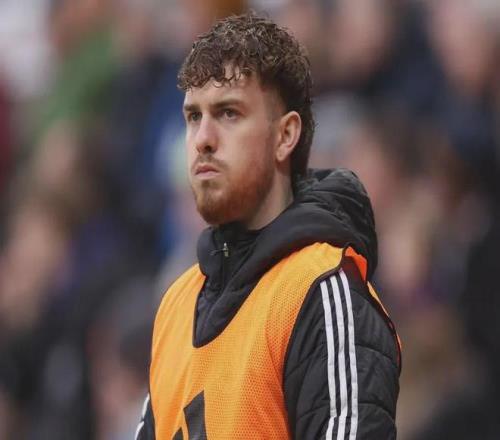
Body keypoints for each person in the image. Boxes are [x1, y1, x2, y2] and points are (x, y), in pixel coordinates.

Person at [136, 12, 401, 440]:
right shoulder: (176, 304)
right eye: (193, 117)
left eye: (228, 113)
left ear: (285, 135)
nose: (203, 139)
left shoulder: (323, 290)